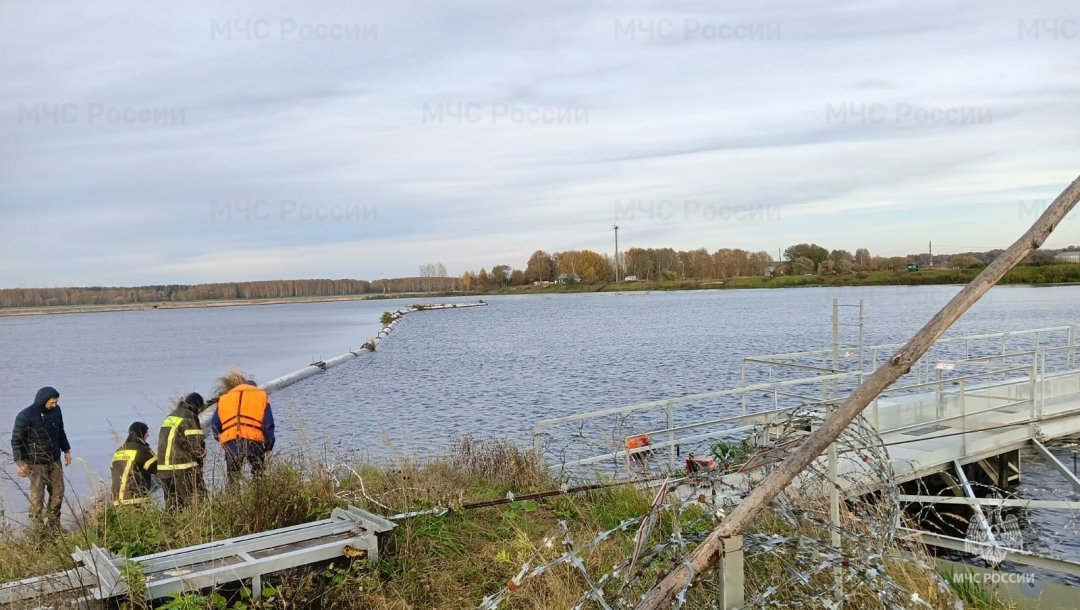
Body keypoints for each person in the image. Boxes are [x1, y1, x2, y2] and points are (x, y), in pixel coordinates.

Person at [10, 386, 72, 530]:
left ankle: (54, 525)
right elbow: (16, 441)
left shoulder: (57, 411)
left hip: (54, 460)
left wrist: (66, 450)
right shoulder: (25, 416)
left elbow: (60, 431)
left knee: (58, 493)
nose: (54, 405)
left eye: (56, 402)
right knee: (37, 498)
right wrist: (20, 463)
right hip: (35, 463)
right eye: (52, 402)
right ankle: (38, 530)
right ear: (43, 401)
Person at [211, 372, 275, 483]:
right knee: (259, 476)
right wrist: (269, 446)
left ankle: (232, 498)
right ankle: (259, 497)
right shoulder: (261, 396)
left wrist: (221, 439)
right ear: (254, 387)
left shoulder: (224, 398)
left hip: (231, 441)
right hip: (253, 441)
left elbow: (214, 425)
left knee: (233, 480)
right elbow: (268, 424)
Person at [156, 392, 207, 508]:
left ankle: (170, 526)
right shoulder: (189, 416)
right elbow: (196, 445)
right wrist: (202, 458)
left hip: (164, 471)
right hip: (182, 469)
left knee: (173, 507)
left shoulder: (171, 416)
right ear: (197, 407)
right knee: (197, 501)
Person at [110, 422, 157, 506]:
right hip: (135, 500)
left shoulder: (118, 451)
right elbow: (158, 469)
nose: (148, 435)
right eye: (146, 432)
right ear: (141, 433)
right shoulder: (142, 450)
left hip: (116, 500)